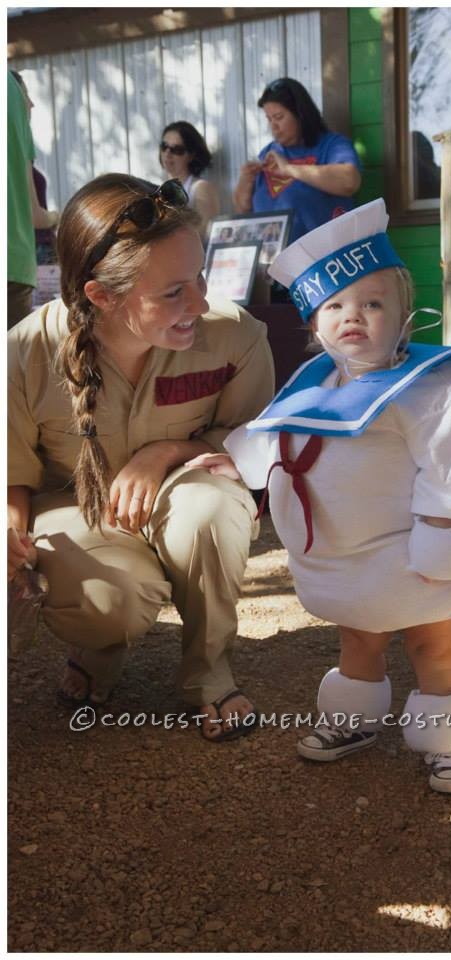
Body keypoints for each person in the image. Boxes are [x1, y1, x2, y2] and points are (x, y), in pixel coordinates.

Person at [186, 199, 451, 791]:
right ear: (314, 322)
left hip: (415, 550)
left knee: (433, 643)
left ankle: (446, 742)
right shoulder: (313, 378)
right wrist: (237, 462)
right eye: (333, 305)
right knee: (358, 636)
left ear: (405, 312)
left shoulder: (433, 385)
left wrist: (447, 550)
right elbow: (280, 432)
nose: (351, 317)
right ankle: (351, 721)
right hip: (346, 552)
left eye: (372, 303)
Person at [8, 173, 275, 741]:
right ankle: (102, 643)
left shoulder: (237, 336)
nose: (200, 302)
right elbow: (12, 478)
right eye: (173, 291)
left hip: (184, 492)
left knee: (213, 508)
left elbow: (257, 439)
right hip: (75, 513)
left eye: (199, 277)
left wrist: (169, 451)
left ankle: (209, 672)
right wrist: (12, 544)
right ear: (101, 296)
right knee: (112, 598)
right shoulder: (24, 353)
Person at [232, 77, 362, 242]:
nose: (273, 126)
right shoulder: (269, 153)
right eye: (269, 119)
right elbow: (243, 210)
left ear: (301, 114)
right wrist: (245, 182)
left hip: (323, 258)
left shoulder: (332, 145)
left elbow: (349, 181)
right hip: (272, 260)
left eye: (279, 117)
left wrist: (289, 169)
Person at [7, 70, 58, 328]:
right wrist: (60, 215)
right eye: (28, 95)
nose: (32, 103)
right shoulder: (11, 91)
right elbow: (35, 215)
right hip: (13, 263)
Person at [159, 121, 220, 241]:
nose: (168, 153)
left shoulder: (201, 188)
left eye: (177, 149)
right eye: (164, 146)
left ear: (191, 155)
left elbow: (203, 235)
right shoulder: (157, 188)